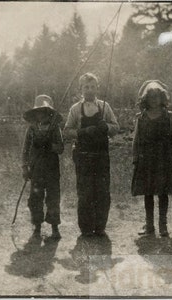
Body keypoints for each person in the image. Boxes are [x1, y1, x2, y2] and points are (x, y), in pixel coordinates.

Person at [64, 72, 119, 236]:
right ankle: (86, 229)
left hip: (101, 155)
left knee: (102, 192)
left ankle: (100, 227)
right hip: (83, 156)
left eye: (92, 87)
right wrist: (82, 132)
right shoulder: (75, 109)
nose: (89, 90)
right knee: (85, 192)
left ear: (97, 88)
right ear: (81, 89)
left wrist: (107, 127)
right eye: (86, 87)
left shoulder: (104, 106)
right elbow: (67, 131)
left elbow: (116, 127)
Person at [131, 80, 172, 237]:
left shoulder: (169, 117)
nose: (154, 100)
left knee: (163, 192)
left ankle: (163, 225)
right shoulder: (142, 118)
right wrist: (135, 155)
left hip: (163, 159)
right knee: (148, 192)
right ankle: (149, 224)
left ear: (162, 98)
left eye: (157, 97)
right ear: (145, 99)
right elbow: (136, 138)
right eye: (151, 97)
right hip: (146, 159)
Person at [22, 94, 64, 240]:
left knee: (53, 197)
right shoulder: (31, 130)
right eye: (39, 112)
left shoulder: (55, 129)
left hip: (52, 169)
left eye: (46, 112)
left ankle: (54, 227)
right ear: (35, 114)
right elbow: (25, 150)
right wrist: (24, 167)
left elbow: (61, 148)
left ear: (50, 113)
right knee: (35, 197)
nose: (42, 115)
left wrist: (50, 145)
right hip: (36, 169)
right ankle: (37, 227)